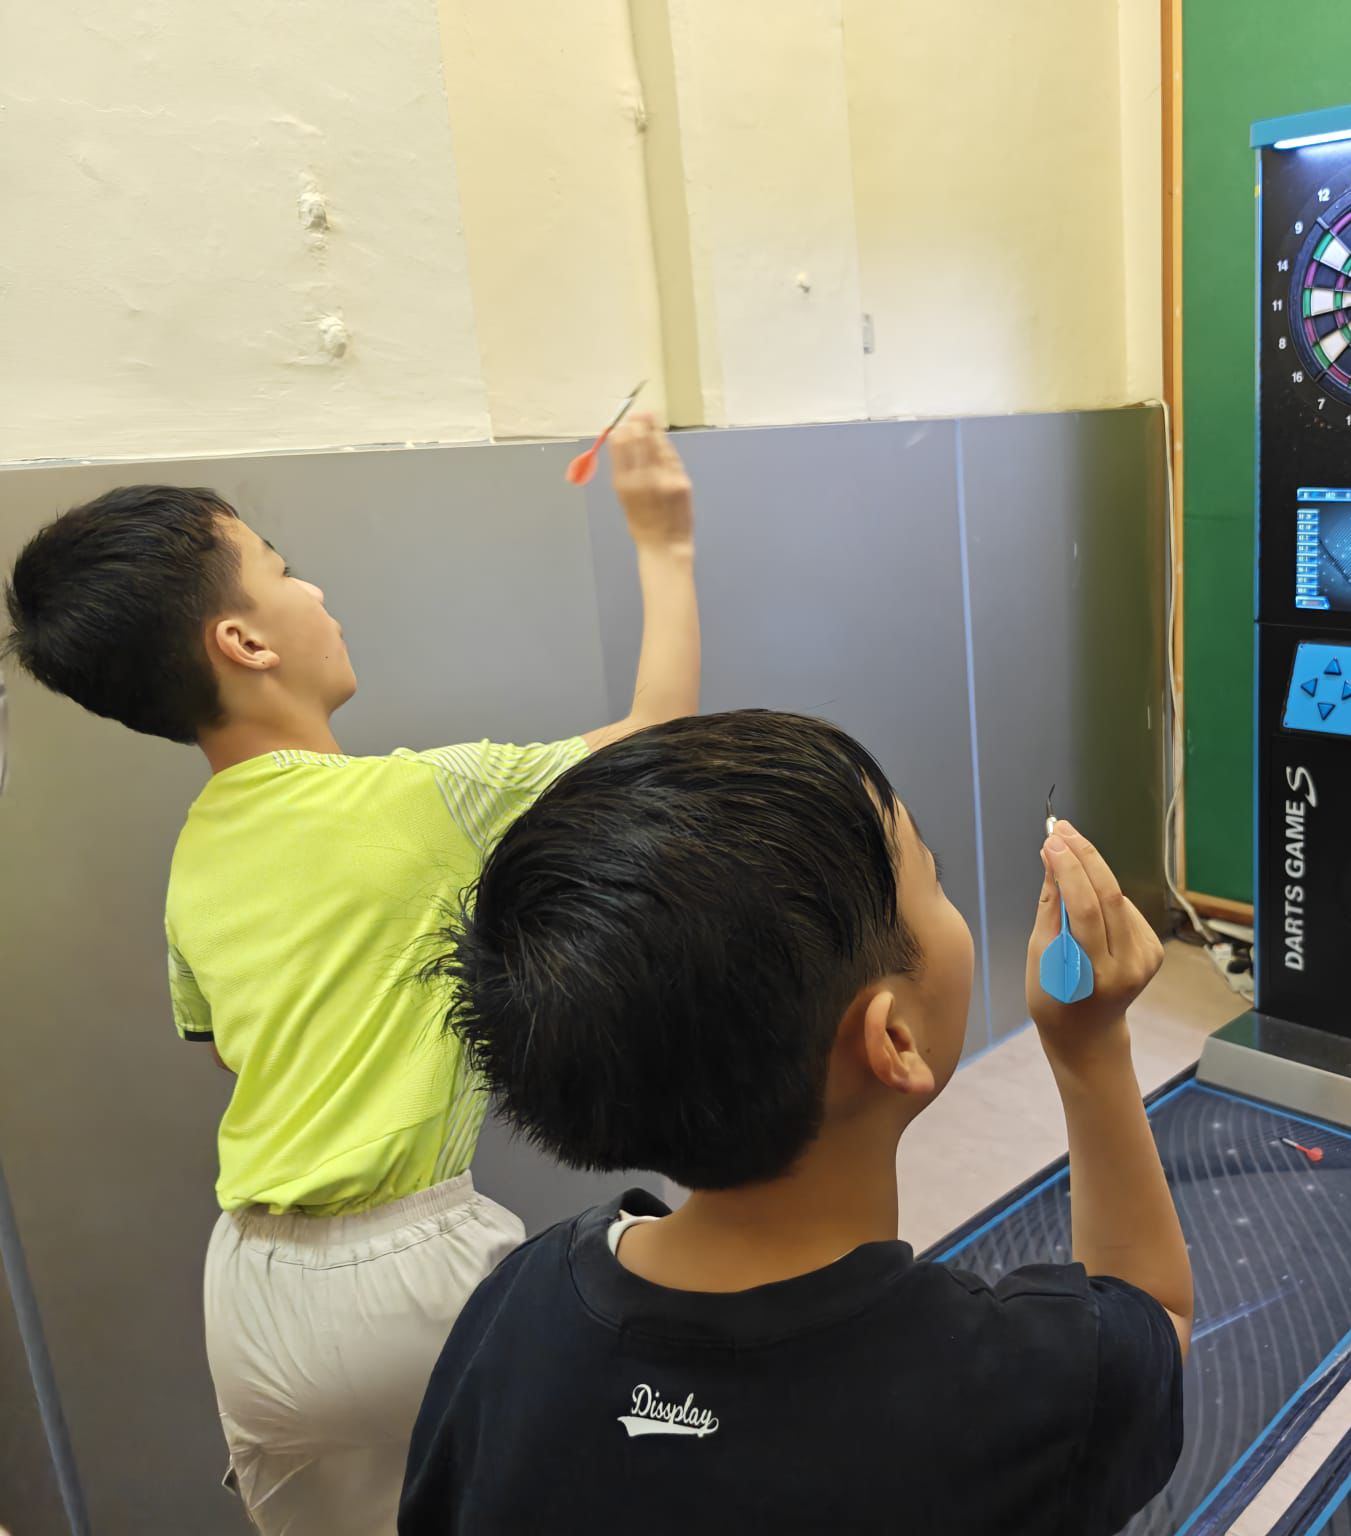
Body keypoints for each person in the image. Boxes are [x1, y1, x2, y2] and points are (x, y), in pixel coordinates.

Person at [0, 418, 702, 1534]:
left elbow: (231, 1048)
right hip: (409, 1271)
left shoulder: (193, 857)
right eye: (284, 571)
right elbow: (660, 735)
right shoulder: (422, 800)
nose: (315, 590)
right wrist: (663, 541)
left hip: (248, 1290)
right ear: (245, 640)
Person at [400, 711, 1192, 1535]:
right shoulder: (1016, 1386)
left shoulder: (512, 1308)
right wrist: (1090, 1052)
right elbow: (1152, 1318)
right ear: (894, 1040)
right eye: (935, 878)